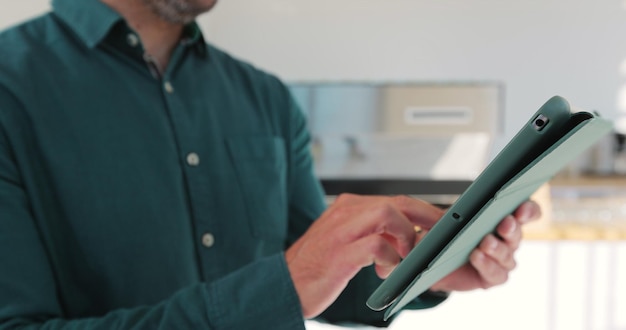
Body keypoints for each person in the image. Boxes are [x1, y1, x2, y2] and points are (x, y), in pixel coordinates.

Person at [0, 0, 540, 328]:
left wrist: (425, 272)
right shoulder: (10, 88)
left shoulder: (264, 97)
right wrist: (285, 284)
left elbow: (322, 284)